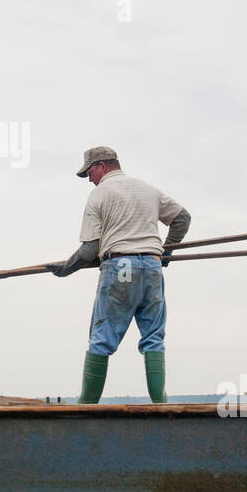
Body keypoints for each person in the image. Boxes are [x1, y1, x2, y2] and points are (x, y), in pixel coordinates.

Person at [49, 147, 190, 404]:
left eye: (89, 172)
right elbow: (182, 219)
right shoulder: (148, 189)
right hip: (152, 267)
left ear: (101, 166)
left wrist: (65, 269)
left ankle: (86, 406)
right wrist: (166, 252)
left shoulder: (99, 194)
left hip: (120, 269)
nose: (89, 179)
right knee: (154, 337)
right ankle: (161, 404)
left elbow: (90, 249)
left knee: (102, 338)